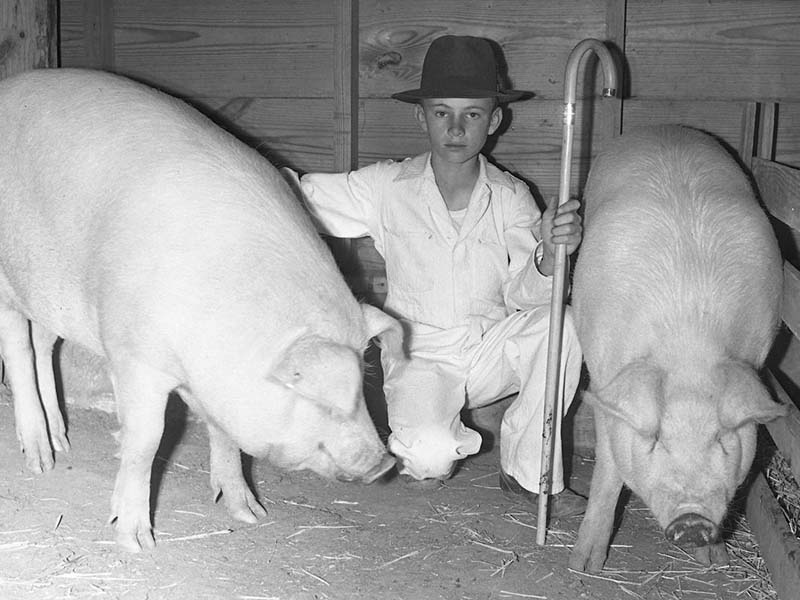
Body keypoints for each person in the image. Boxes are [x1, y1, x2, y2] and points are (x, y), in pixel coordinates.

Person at [291, 35, 585, 516]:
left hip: (488, 348)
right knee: (428, 459)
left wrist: (549, 257)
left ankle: (530, 474)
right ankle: (425, 430)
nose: (455, 127)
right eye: (441, 112)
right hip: (420, 353)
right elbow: (302, 198)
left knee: (564, 324)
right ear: (420, 116)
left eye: (471, 114)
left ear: (494, 120)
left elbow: (528, 297)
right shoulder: (386, 185)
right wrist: (243, 182)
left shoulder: (512, 196)